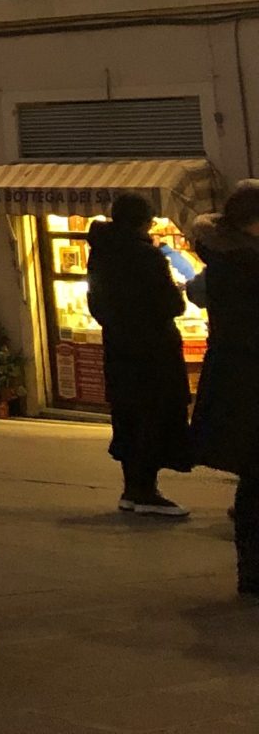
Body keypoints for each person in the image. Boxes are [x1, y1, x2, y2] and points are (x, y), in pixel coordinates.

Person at [88, 192, 195, 519]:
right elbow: (171, 305)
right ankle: (146, 491)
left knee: (128, 416)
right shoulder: (146, 257)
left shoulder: (101, 253)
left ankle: (132, 489)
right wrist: (175, 294)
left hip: (119, 349)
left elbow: (97, 303)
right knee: (153, 416)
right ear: (144, 221)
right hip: (153, 352)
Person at [188, 180, 259, 598]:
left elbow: (195, 293)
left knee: (252, 479)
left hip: (235, 377)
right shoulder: (248, 265)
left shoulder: (222, 261)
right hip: (250, 375)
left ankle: (250, 571)